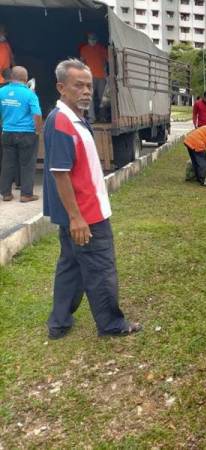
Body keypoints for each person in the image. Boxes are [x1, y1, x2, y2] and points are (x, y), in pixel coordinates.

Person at [43, 58, 141, 339]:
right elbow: (60, 174)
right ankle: (111, 323)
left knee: (71, 268)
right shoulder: (62, 122)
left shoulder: (74, 119)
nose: (86, 91)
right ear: (62, 87)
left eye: (89, 85)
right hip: (86, 216)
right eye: (79, 86)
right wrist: (76, 217)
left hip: (83, 212)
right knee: (100, 269)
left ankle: (59, 323)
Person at [0, 66, 42, 202]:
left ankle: (6, 193)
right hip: (27, 133)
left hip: (7, 132)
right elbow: (37, 114)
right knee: (27, 164)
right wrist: (38, 130)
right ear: (25, 79)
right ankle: (26, 194)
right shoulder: (30, 94)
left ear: (11, 77)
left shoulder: (2, 91)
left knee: (7, 163)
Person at [79, 32, 108, 124]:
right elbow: (82, 62)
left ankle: (103, 117)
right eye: (91, 39)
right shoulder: (84, 49)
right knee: (89, 97)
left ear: (97, 40)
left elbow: (108, 61)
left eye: (94, 39)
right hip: (89, 77)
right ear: (88, 40)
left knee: (102, 98)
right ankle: (92, 117)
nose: (92, 41)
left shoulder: (101, 49)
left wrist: (107, 73)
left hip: (101, 76)